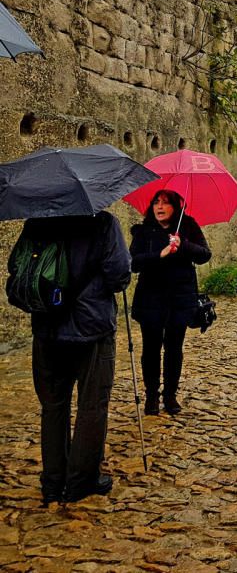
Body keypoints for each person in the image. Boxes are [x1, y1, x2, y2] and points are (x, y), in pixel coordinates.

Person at [13, 212, 131, 504]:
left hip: (47, 329)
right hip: (91, 330)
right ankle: (81, 481)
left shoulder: (35, 223)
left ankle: (53, 482)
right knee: (92, 405)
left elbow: (16, 266)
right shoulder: (103, 223)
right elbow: (119, 276)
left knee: (53, 406)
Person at [129, 190, 211, 416]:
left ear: (175, 207)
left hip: (179, 299)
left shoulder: (188, 226)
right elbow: (133, 263)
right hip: (151, 299)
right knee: (151, 348)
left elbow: (204, 254)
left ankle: (170, 395)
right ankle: (152, 396)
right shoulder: (144, 231)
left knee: (174, 348)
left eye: (165, 203)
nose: (160, 206)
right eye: (156, 202)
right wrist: (160, 254)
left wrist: (183, 244)